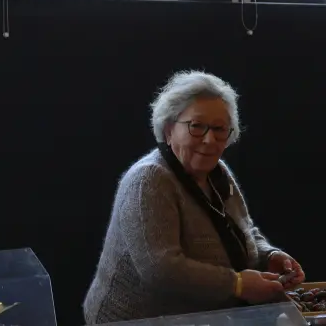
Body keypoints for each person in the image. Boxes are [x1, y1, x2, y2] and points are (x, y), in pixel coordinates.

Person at [82, 70, 306, 323]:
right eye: (196, 126)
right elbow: (161, 269)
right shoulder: (149, 179)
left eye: (219, 129)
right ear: (168, 130)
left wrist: (269, 256)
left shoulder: (218, 172)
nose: (209, 140)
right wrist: (238, 284)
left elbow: (244, 230)